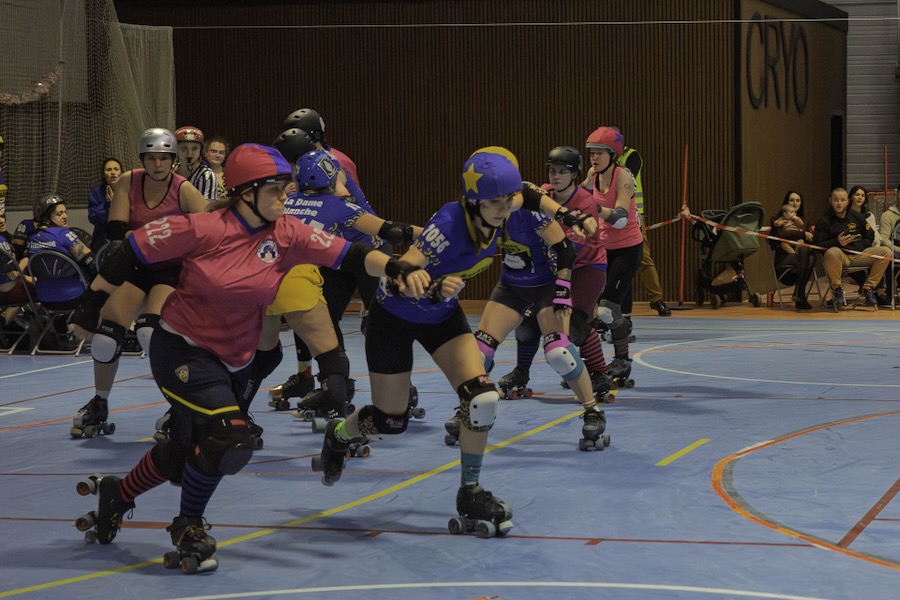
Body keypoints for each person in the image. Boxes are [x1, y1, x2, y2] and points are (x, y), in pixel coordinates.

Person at [72, 142, 425, 573]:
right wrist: (90, 306)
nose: (285, 195)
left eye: (286, 187)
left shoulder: (288, 232)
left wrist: (395, 267)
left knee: (183, 449)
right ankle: (189, 525)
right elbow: (131, 251)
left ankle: (118, 495)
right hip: (183, 347)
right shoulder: (203, 227)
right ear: (246, 193)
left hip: (236, 358)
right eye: (275, 189)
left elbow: (350, 253)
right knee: (230, 438)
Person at [313, 149, 596, 537]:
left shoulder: (500, 204)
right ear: (474, 201)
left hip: (441, 315)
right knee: (390, 421)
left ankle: (470, 491)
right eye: (496, 203)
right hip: (394, 317)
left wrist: (568, 215)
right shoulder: (449, 226)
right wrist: (426, 285)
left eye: (507, 200)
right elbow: (396, 275)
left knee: (482, 397)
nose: (504, 210)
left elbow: (529, 195)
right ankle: (340, 435)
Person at [68, 128, 209, 439]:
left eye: (163, 158)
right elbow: (117, 233)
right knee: (105, 338)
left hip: (171, 270)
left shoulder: (184, 189)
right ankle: (100, 402)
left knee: (150, 333)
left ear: (172, 160)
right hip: (134, 265)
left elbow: (210, 230)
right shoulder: (128, 181)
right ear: (142, 159)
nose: (157, 165)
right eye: (151, 158)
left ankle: (181, 405)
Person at [465, 148, 609, 451]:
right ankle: (466, 408)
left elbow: (565, 249)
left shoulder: (530, 205)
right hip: (512, 286)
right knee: (479, 351)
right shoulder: (473, 210)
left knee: (559, 352)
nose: (492, 209)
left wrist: (562, 288)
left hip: (548, 283)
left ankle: (592, 409)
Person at [263, 149, 420, 417]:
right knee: (340, 332)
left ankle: (390, 387)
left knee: (270, 353)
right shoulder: (338, 202)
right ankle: (341, 390)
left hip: (284, 276)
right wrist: (435, 235)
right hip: (345, 258)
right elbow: (392, 230)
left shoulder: (287, 201)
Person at [496, 146, 612, 402]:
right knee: (527, 323)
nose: (556, 176)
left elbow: (568, 249)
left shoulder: (584, 202)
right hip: (553, 267)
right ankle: (521, 372)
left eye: (562, 172)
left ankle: (599, 372)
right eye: (552, 171)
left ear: (574, 175)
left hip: (586, 269)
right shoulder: (544, 193)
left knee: (571, 325)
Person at [583, 126, 642, 387]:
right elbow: (578, 196)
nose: (594, 158)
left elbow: (620, 219)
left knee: (607, 310)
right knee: (585, 310)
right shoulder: (592, 175)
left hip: (627, 249)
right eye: (592, 153)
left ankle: (622, 361)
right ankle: (592, 366)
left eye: (599, 152)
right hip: (601, 248)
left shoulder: (623, 177)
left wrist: (594, 208)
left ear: (613, 154)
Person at [812, 187, 892, 309]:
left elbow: (870, 237)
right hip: (841, 258)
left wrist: (858, 245)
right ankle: (837, 289)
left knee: (886, 251)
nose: (839, 203)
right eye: (836, 200)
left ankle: (868, 288)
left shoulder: (857, 217)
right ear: (830, 201)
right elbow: (817, 245)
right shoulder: (824, 221)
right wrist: (837, 242)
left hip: (860, 255)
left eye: (842, 200)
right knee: (832, 252)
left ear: (848, 201)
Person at [616, 142, 670, 316]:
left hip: (633, 215)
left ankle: (656, 298)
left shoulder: (631, 156)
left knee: (643, 257)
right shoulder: (600, 164)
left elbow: (627, 177)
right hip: (609, 216)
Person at [25, 194, 95, 305]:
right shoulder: (63, 234)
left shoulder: (31, 238)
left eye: (65, 212)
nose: (65, 216)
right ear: (46, 217)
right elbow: (90, 260)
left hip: (43, 297)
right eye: (59, 214)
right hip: (73, 295)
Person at [769, 190, 815, 310]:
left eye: (798, 200)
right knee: (807, 255)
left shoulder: (803, 221)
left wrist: (801, 234)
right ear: (786, 202)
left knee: (809, 254)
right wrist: (802, 234)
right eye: (791, 200)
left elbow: (811, 239)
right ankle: (800, 293)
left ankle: (799, 293)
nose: (795, 203)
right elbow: (781, 236)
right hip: (784, 263)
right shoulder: (778, 219)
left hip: (799, 264)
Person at [87, 158, 123, 253]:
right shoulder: (96, 192)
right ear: (103, 174)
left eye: (116, 169)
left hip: (124, 238)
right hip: (102, 240)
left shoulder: (128, 190)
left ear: (121, 173)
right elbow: (93, 218)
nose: (113, 173)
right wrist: (108, 204)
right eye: (109, 170)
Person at [175, 126, 218, 202]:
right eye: (184, 148)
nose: (189, 153)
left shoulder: (207, 175)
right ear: (176, 149)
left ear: (200, 151)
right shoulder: (170, 171)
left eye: (194, 148)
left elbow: (208, 208)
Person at [204, 136, 229, 200]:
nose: (217, 155)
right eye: (213, 151)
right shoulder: (200, 174)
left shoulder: (230, 174)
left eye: (221, 152)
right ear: (205, 153)